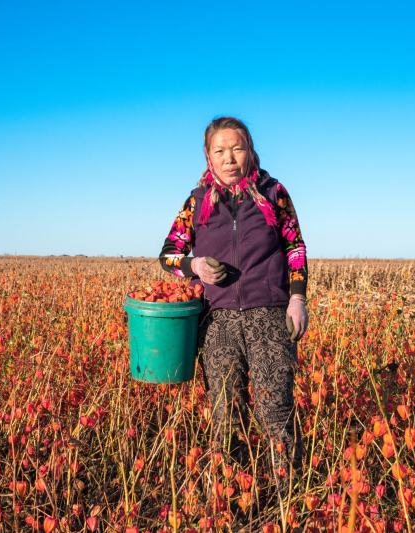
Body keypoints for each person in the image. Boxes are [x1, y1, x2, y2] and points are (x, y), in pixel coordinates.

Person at [158, 116, 309, 490]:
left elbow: (295, 247)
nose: (229, 158)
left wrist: (297, 299)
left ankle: (287, 496)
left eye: (237, 148)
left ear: (250, 151)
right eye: (219, 151)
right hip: (218, 322)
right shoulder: (196, 203)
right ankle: (231, 497)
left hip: (270, 316)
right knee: (227, 413)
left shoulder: (274, 193)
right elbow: (169, 255)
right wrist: (194, 266)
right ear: (208, 157)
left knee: (275, 408)